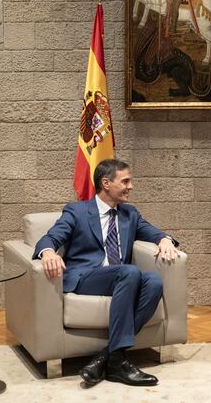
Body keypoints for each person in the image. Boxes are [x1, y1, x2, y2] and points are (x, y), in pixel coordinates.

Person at [33, 158, 179, 387]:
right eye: (126, 181)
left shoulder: (129, 214)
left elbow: (153, 232)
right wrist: (48, 252)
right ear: (106, 183)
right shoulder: (77, 211)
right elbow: (51, 237)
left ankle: (107, 358)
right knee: (129, 272)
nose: (131, 186)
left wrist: (164, 239)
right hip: (85, 277)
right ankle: (117, 362)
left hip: (120, 278)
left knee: (153, 282)